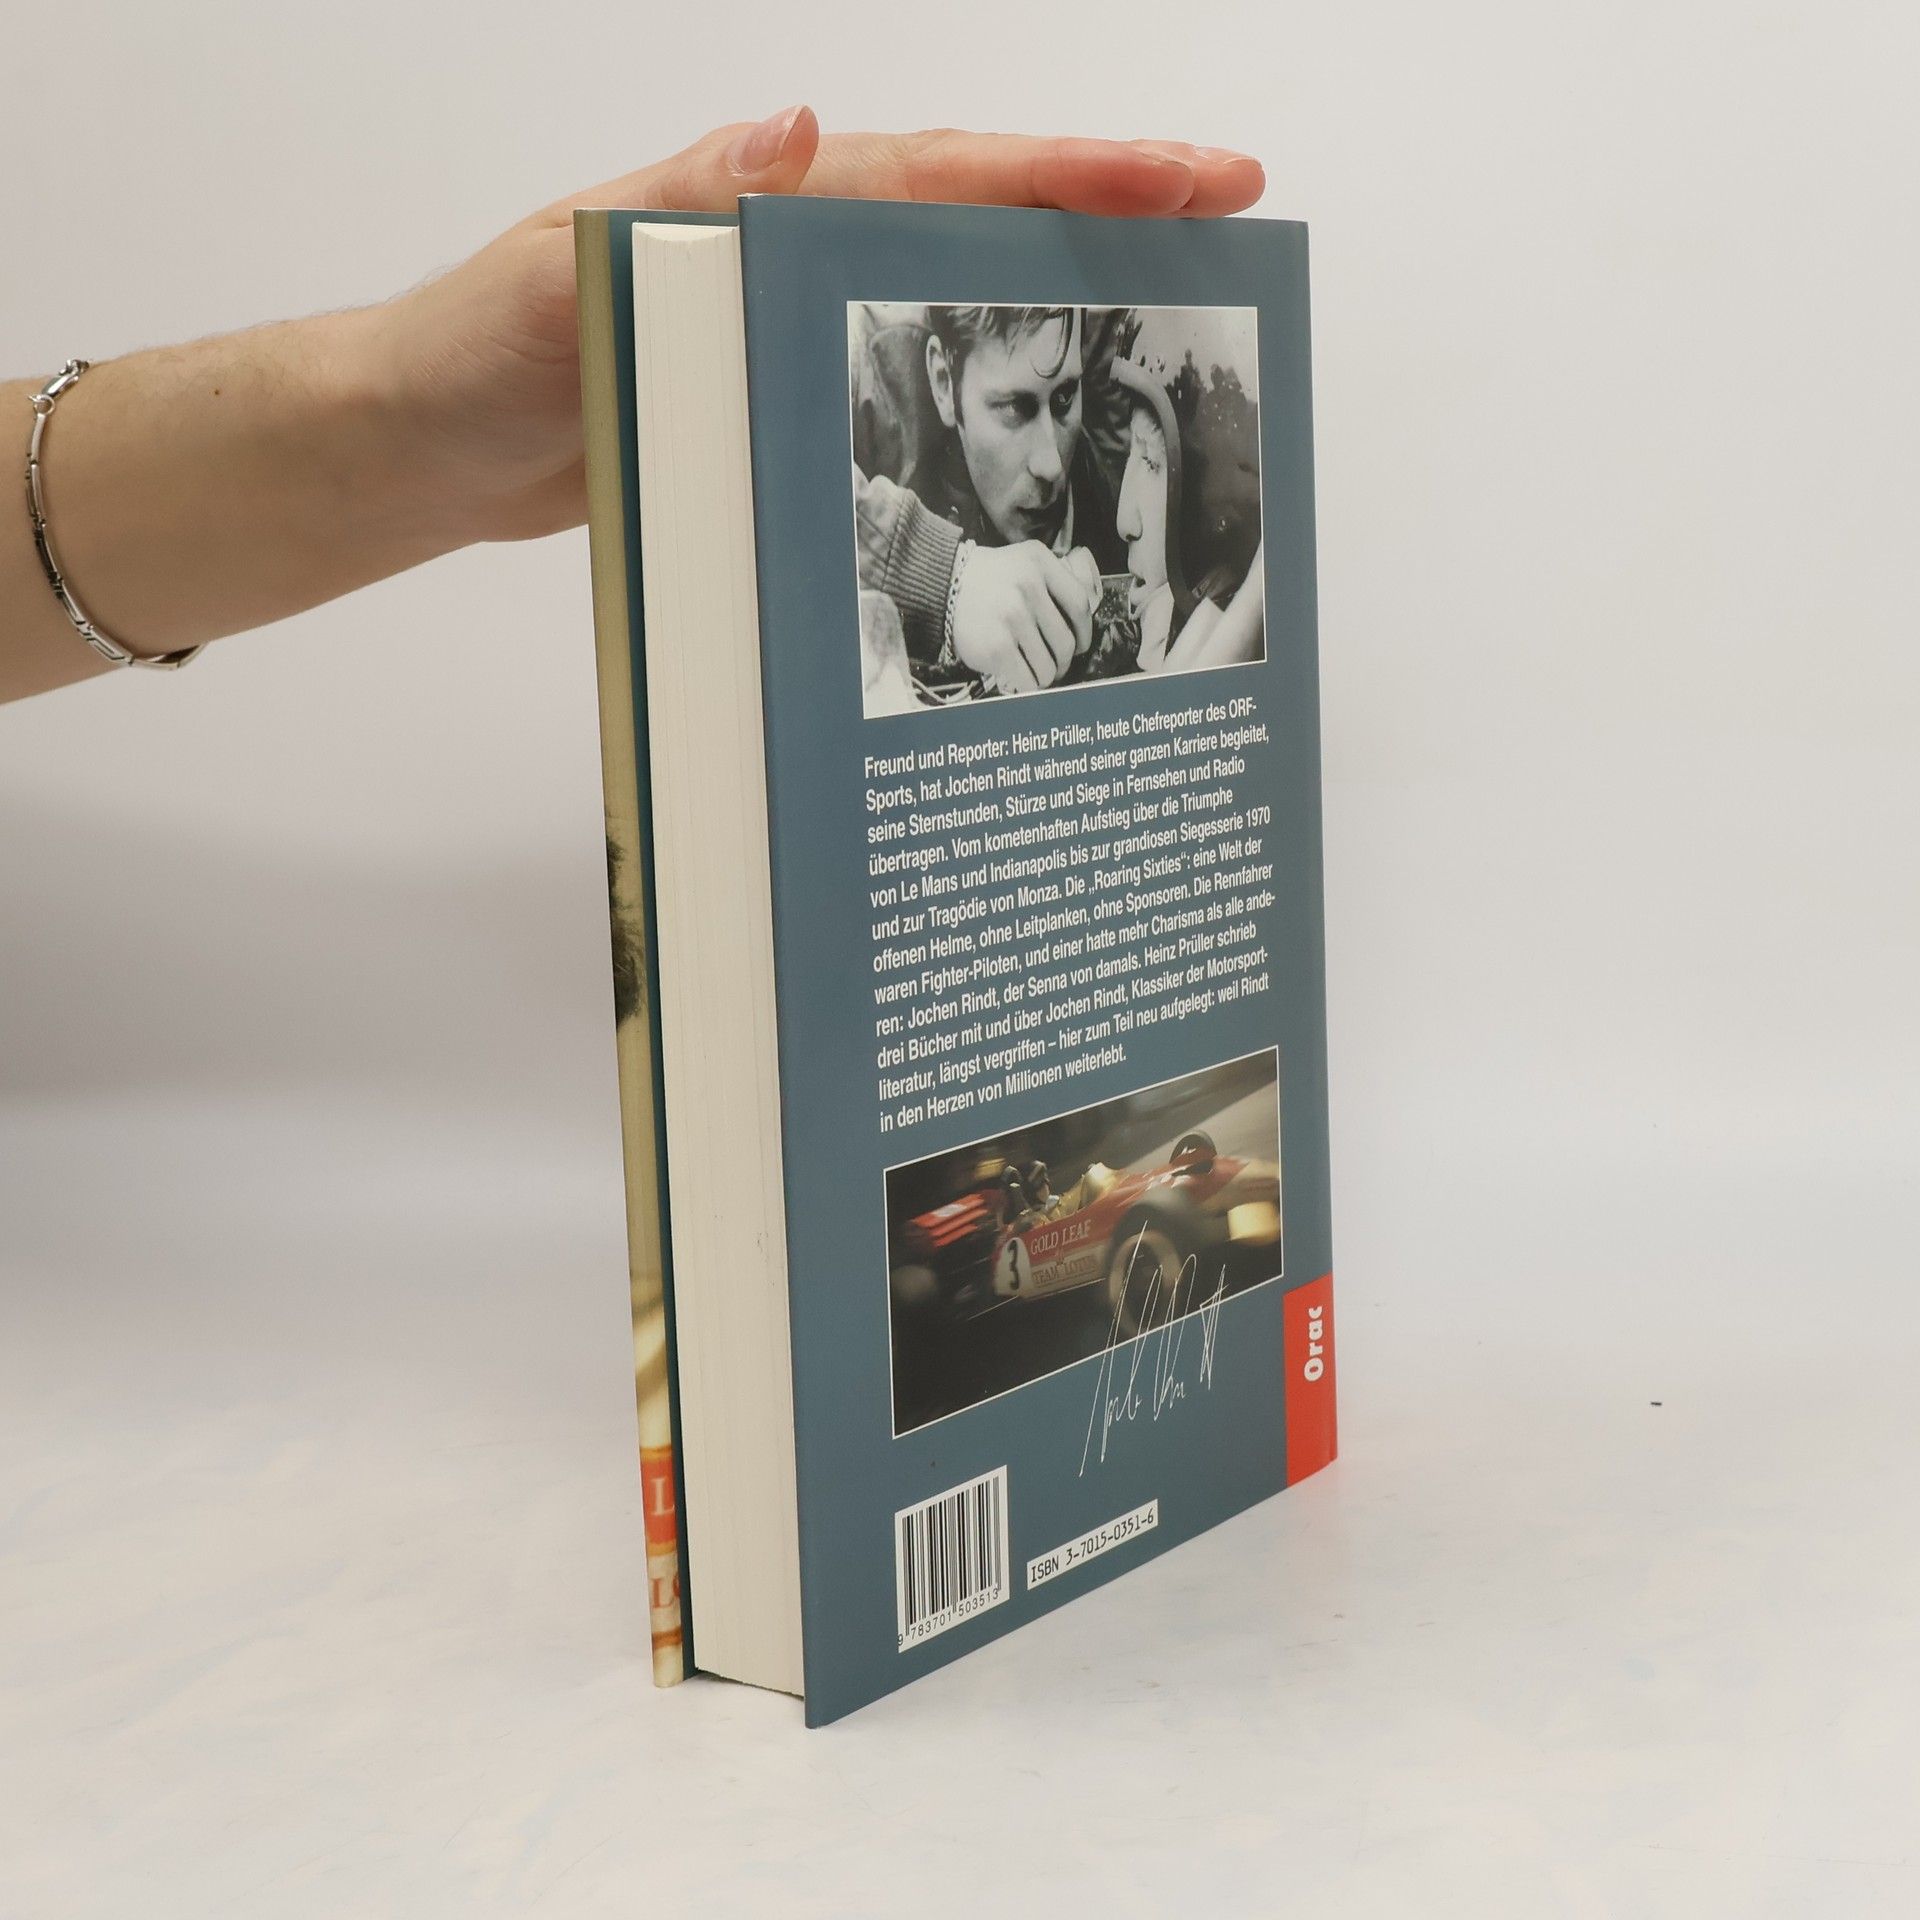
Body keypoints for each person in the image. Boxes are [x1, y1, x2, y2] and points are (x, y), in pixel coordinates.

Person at [3, 111, 1263, 707]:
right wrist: (947, 572)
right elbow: (799, 476)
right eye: (1011, 406)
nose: (1044, 459)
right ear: (941, 380)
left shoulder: (1105, 472)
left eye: (1064, 402)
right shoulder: (866, 380)